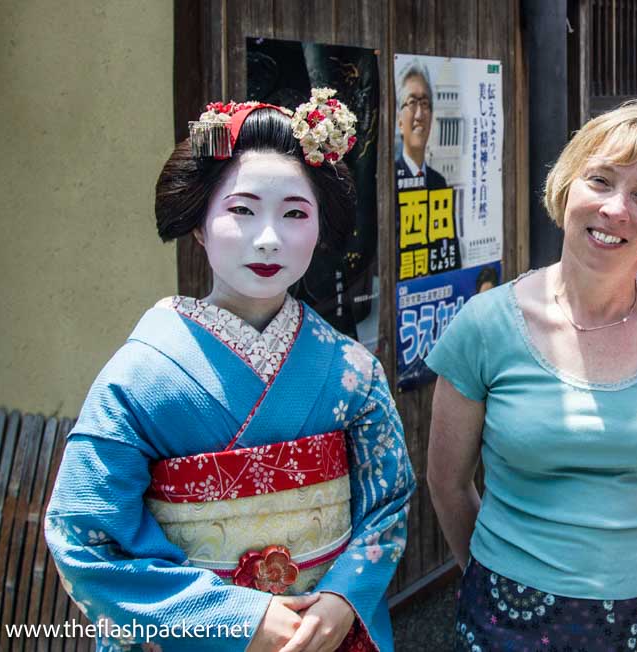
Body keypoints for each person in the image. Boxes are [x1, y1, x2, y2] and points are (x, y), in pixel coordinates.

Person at [44, 90, 415, 652]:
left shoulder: (352, 371)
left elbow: (387, 503)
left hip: (326, 635)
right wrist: (231, 619)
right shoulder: (141, 376)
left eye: (295, 213)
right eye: (241, 211)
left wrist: (344, 598)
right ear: (198, 225)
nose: (269, 238)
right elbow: (82, 537)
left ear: (319, 229)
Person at [425, 100, 637, 651]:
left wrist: (628, 567)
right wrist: (497, 573)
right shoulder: (485, 325)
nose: (616, 209)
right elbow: (448, 484)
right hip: (507, 611)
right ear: (567, 186)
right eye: (600, 181)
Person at [395, 60, 447, 191]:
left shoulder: (439, 183)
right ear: (399, 121)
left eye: (424, 103)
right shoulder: (389, 180)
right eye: (412, 102)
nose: (419, 115)